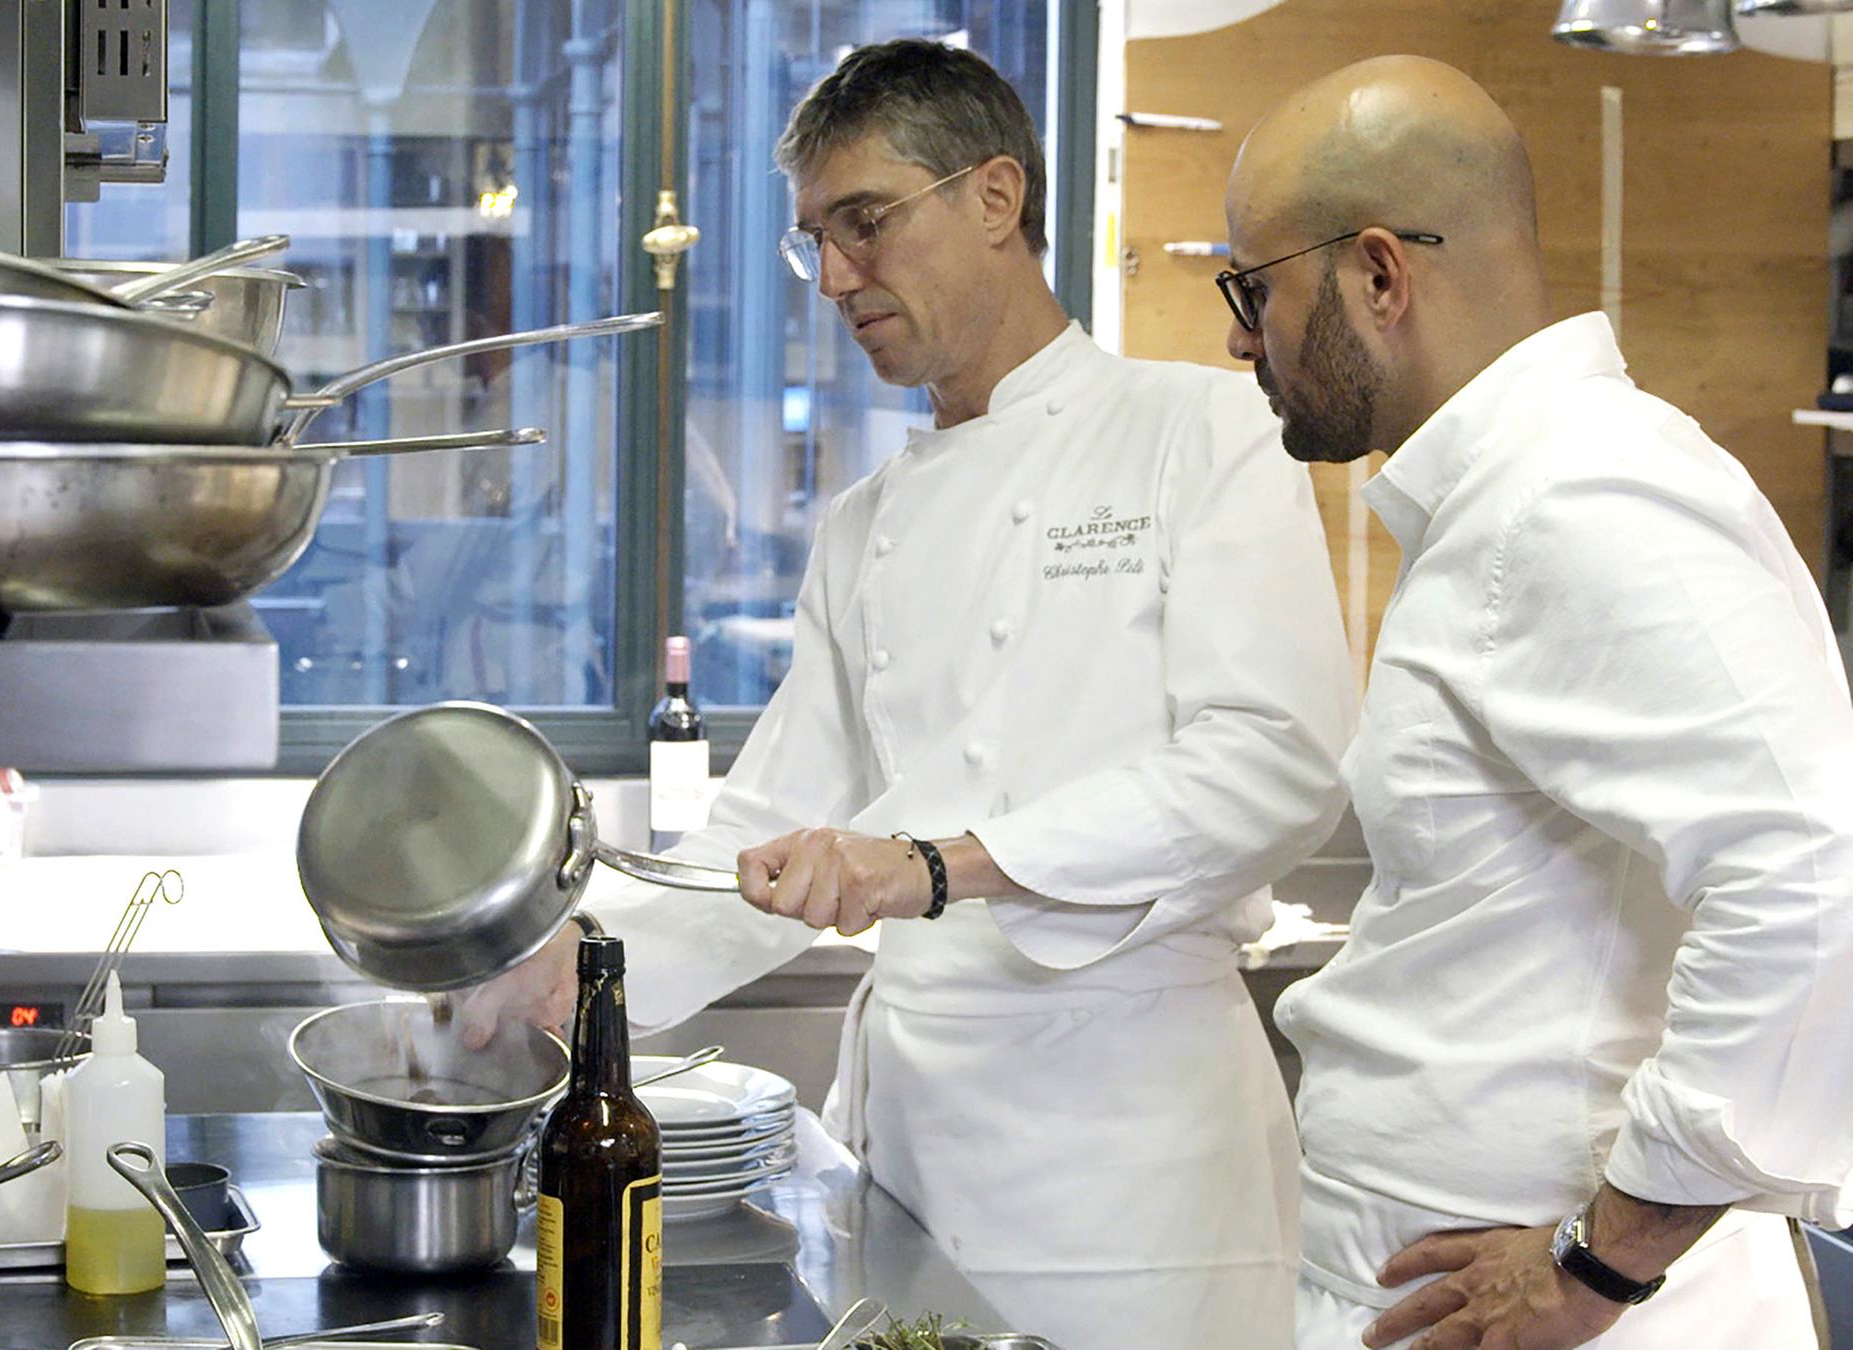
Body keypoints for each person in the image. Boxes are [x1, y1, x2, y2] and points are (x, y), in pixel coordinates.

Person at [458, 39, 1355, 1350]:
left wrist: (933, 866)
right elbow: (760, 826)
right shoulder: (865, 521)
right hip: (912, 1150)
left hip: (1137, 1161)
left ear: (996, 198)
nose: (833, 277)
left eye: (864, 223)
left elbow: (1275, 767)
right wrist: (569, 967)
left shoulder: (1202, 438)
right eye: (813, 241)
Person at [1220, 55, 1853, 1350]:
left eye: (1255, 288)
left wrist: (1600, 1261)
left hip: (1570, 1315)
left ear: (1379, 275)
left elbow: (1815, 869)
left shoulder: (1585, 491)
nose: (1242, 338)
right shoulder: (1506, 502)